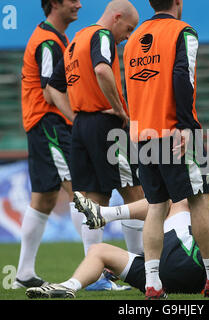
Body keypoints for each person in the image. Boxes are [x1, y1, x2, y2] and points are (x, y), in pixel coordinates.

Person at [122, 0, 209, 299]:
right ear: (178, 2)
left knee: (156, 206)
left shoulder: (133, 39)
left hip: (141, 133)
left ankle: (152, 283)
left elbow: (129, 87)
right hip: (174, 132)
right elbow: (183, 77)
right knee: (199, 201)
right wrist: (186, 126)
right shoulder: (183, 31)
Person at [25, 193, 209, 299]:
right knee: (100, 252)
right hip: (172, 276)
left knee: (177, 202)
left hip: (189, 268)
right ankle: (69, 287)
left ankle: (105, 214)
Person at [46, 0, 145, 289]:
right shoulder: (101, 36)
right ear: (116, 18)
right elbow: (103, 71)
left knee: (92, 201)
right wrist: (119, 110)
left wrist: (75, 117)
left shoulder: (75, 42)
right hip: (106, 126)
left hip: (82, 129)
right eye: (128, 29)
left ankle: (95, 278)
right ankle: (140, 268)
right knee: (134, 192)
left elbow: (52, 89)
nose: (127, 36)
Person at [13, 0, 82, 289]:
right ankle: (97, 273)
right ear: (54, 4)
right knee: (79, 190)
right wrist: (76, 120)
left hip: (42, 126)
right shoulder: (48, 42)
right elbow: (49, 90)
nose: (79, 4)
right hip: (49, 125)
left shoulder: (55, 38)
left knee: (44, 199)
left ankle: (23, 275)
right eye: (72, 0)